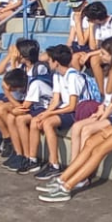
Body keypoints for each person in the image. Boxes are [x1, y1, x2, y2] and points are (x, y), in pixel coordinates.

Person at [37, 46, 112, 201]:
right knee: (90, 144)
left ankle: (67, 187)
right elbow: (110, 90)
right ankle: (62, 179)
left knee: (99, 150)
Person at [25, 44, 87, 180]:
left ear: (56, 62)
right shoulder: (57, 75)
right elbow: (55, 100)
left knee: (47, 123)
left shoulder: (73, 77)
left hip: (77, 112)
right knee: (36, 120)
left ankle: (54, 164)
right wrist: (47, 112)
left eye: (50, 61)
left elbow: (72, 106)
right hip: (64, 108)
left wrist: (50, 114)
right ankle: (32, 160)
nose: (48, 63)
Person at [0, 37, 48, 155]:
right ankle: (7, 138)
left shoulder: (39, 68)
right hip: (18, 98)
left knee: (1, 109)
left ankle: (14, 144)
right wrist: (9, 57)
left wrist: (14, 62)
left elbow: (16, 82)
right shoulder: (22, 66)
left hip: (28, 101)